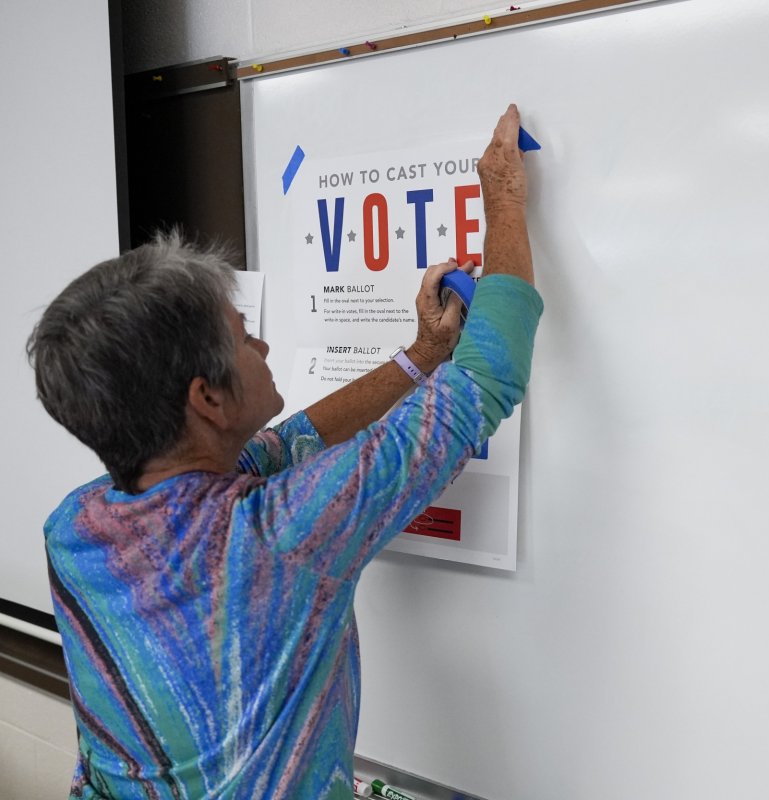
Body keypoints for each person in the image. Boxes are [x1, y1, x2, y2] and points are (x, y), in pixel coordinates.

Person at [26, 105, 540, 799]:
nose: (265, 347)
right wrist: (503, 196)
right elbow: (486, 379)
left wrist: (421, 354)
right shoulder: (279, 535)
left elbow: (281, 447)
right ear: (207, 399)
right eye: (245, 336)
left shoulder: (76, 526)